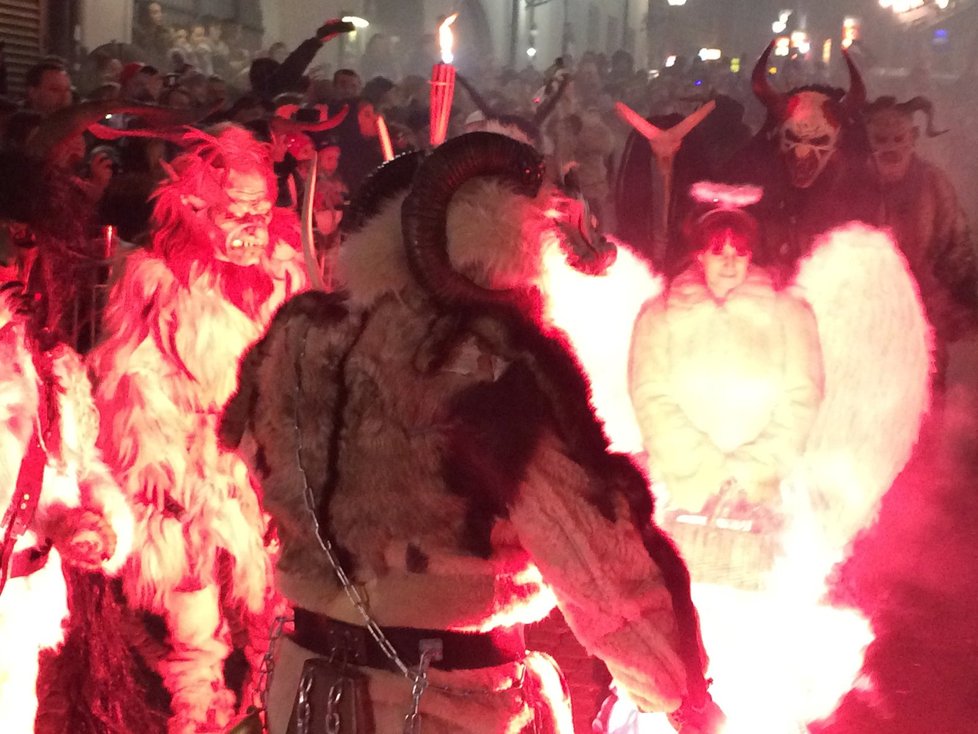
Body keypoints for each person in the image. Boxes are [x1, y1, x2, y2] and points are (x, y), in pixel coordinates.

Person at [220, 132, 723, 734]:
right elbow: (591, 558)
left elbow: (260, 468)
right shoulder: (492, 368)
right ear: (512, 253)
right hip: (437, 708)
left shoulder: (295, 341)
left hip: (304, 695)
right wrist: (674, 688)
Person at [87, 124, 313, 734]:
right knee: (191, 586)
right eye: (233, 215)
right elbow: (131, 375)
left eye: (260, 215)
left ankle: (273, 698)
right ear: (194, 208)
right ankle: (198, 706)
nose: (249, 232)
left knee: (278, 594)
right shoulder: (154, 276)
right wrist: (162, 466)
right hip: (187, 455)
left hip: (266, 458)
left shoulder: (289, 271)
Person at [629, 186, 824, 517]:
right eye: (719, 252)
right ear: (699, 255)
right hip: (680, 493)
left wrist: (750, 473)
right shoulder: (659, 317)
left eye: (741, 252)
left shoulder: (790, 316)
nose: (730, 264)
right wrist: (705, 474)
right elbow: (650, 396)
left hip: (761, 499)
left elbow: (802, 397)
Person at [863, 95, 978, 384]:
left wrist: (945, 300)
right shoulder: (852, 184)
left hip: (924, 316)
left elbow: (957, 245)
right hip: (865, 317)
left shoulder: (933, 183)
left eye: (897, 137)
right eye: (881, 139)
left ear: (913, 137)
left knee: (925, 396)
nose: (889, 147)